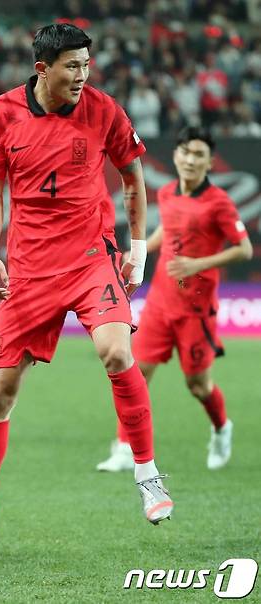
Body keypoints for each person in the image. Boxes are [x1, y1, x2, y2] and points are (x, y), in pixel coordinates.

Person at [0, 23, 173, 557]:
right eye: (72, 66)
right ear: (42, 68)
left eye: (88, 66)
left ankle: (148, 474)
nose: (83, 77)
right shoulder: (0, 113)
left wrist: (136, 252)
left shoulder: (104, 109)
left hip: (92, 259)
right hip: (29, 270)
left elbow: (134, 180)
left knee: (115, 351)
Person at [97, 127, 252, 473]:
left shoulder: (219, 203)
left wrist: (198, 263)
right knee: (134, 373)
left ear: (210, 162)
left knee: (198, 385)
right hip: (160, 304)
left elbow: (245, 249)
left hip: (196, 309)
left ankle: (221, 427)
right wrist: (136, 254)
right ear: (176, 155)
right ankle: (124, 447)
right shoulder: (167, 192)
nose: (190, 159)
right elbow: (167, 229)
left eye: (199, 154)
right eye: (185, 151)